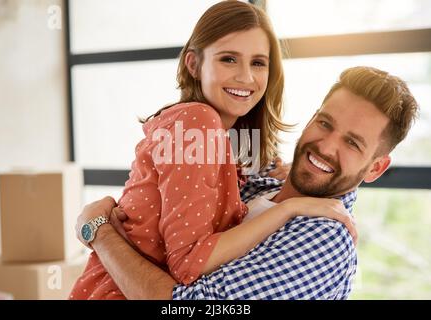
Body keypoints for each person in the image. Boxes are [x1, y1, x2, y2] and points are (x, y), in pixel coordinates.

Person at [70, 1, 356, 300]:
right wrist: (289, 209)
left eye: (258, 63)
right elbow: (189, 264)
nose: (246, 77)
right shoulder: (197, 121)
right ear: (193, 64)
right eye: (229, 59)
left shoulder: (232, 139)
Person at [73, 66, 418, 299]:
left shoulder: (324, 241)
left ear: (375, 169)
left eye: (353, 143)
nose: (326, 147)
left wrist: (99, 232)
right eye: (325, 123)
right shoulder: (259, 181)